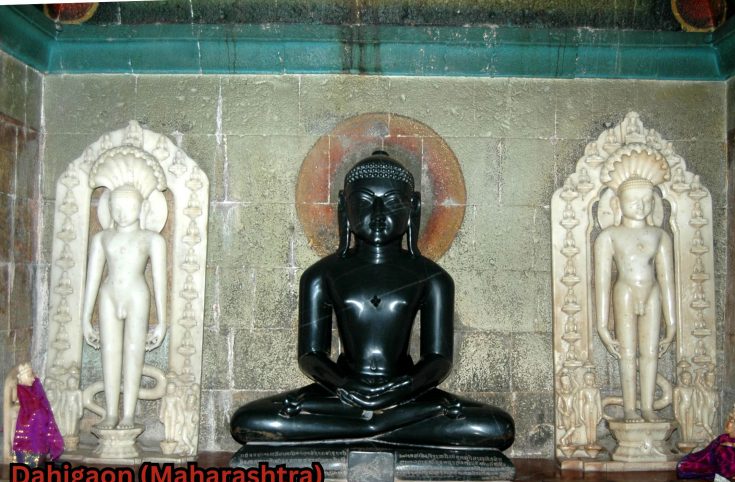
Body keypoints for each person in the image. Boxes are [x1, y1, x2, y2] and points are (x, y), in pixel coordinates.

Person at [231, 152, 514, 449]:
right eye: (364, 202)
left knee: (497, 426)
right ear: (344, 206)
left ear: (413, 207)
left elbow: (438, 360)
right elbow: (311, 355)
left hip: (406, 393)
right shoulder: (321, 275)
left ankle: (360, 428)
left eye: (392, 202)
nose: (378, 214)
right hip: (341, 393)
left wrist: (404, 387)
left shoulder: (432, 278)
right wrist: (343, 384)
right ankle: (384, 428)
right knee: (248, 420)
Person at [82, 183, 167, 430]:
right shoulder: (102, 238)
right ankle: (110, 413)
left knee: (133, 353)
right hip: (108, 295)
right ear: (108, 207)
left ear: (142, 208)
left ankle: (128, 414)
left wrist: (162, 321)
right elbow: (92, 278)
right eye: (116, 207)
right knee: (109, 353)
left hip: (136, 296)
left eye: (129, 207)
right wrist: (85, 317)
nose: (122, 213)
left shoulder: (152, 239)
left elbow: (160, 281)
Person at [594, 173, 676, 423]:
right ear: (618, 204)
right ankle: (630, 408)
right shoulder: (609, 236)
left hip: (652, 292)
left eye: (646, 201)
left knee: (650, 353)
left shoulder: (660, 236)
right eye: (633, 201)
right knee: (627, 353)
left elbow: (667, 280)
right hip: (625, 291)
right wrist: (601, 326)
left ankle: (648, 407)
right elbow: (602, 282)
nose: (640, 206)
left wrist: (672, 324)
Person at [12, 363, 63, 466]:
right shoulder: (21, 394)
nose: (33, 379)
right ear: (23, 377)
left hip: (37, 445)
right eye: (30, 376)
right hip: (26, 447)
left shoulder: (32, 392)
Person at [677, 415, 735, 480]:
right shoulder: (723, 437)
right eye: (729, 420)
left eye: (731, 421)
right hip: (711, 460)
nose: (727, 423)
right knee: (688, 462)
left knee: (691, 467)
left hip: (721, 467)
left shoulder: (733, 444)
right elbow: (709, 450)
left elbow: (730, 461)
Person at [577, 371, 602, 446]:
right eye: (588, 379)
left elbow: (598, 401)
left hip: (594, 407)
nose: (590, 381)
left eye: (591, 379)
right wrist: (580, 414)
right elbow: (580, 402)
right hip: (587, 407)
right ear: (584, 380)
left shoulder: (596, 390)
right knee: (587, 425)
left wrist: (600, 413)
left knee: (594, 425)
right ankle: (589, 441)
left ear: (594, 380)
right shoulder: (582, 390)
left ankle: (593, 441)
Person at [674, 370, 695, 444]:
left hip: (690, 406)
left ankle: (689, 438)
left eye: (689, 378)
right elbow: (676, 403)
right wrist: (676, 414)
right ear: (681, 379)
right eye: (685, 378)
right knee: (683, 423)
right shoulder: (678, 389)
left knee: (690, 422)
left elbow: (694, 401)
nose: (687, 380)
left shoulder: (692, 389)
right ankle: (685, 438)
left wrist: (696, 413)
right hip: (682, 406)